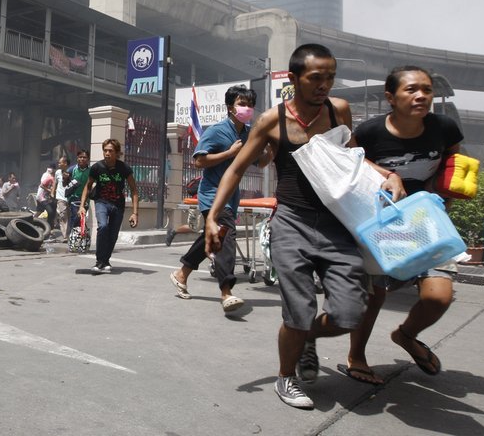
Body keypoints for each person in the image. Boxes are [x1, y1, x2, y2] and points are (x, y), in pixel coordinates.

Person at [205, 44, 401, 409]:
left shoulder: (338, 111)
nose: (324, 85)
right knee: (298, 309)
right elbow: (236, 169)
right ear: (294, 79)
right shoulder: (271, 120)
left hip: (336, 225)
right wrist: (213, 217)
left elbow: (354, 160)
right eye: (315, 78)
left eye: (330, 77)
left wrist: (388, 174)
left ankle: (304, 336)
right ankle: (286, 376)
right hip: (291, 223)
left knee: (349, 313)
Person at [339, 66, 462, 385]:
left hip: (427, 221)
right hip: (382, 223)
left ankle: (406, 335)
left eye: (427, 89)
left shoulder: (445, 127)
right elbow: (351, 160)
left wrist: (447, 195)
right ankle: (356, 357)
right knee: (373, 295)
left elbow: (452, 160)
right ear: (391, 98)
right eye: (411, 90)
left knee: (439, 296)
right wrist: (388, 174)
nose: (421, 95)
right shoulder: (370, 132)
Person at [168, 87, 272, 314]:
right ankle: (226, 291)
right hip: (211, 195)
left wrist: (272, 148)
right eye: (242, 103)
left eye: (250, 105)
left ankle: (181, 274)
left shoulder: (249, 134)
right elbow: (199, 161)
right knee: (227, 236)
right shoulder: (217, 131)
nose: (246, 108)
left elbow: (261, 162)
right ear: (230, 107)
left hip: (231, 197)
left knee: (215, 236)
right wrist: (229, 153)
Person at [78, 138, 139, 274]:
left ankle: (105, 261)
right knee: (103, 226)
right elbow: (88, 186)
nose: (107, 153)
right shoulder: (97, 167)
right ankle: (99, 261)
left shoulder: (124, 168)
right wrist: (82, 206)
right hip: (101, 202)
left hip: (118, 205)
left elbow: (134, 190)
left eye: (110, 151)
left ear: (117, 153)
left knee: (113, 234)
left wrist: (135, 213)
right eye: (105, 150)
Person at [65, 149, 91, 235]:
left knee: (82, 218)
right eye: (80, 157)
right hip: (73, 198)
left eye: (84, 157)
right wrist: (65, 178)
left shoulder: (91, 171)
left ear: (88, 159)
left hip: (86, 199)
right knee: (76, 216)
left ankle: (79, 237)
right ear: (77, 158)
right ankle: (72, 235)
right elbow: (65, 184)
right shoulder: (72, 169)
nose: (82, 159)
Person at [35, 164, 57, 228]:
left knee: (40, 211)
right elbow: (42, 185)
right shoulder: (49, 177)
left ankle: (32, 221)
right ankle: (48, 226)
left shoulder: (52, 177)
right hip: (42, 197)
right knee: (50, 212)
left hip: (47, 198)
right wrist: (50, 190)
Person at [54, 155, 70, 236]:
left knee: (69, 216)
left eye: (60, 163)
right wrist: (52, 192)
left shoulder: (71, 171)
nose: (59, 164)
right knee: (62, 216)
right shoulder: (57, 172)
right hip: (61, 198)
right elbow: (55, 183)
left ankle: (69, 234)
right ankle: (65, 236)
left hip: (70, 197)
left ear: (65, 163)